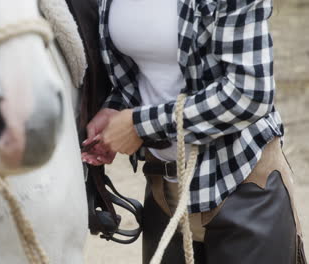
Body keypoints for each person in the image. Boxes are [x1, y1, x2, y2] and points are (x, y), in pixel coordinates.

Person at [67, 0, 308, 263]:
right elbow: (145, 71)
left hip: (242, 188)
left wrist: (139, 125)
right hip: (164, 194)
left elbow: (250, 93)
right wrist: (116, 108)